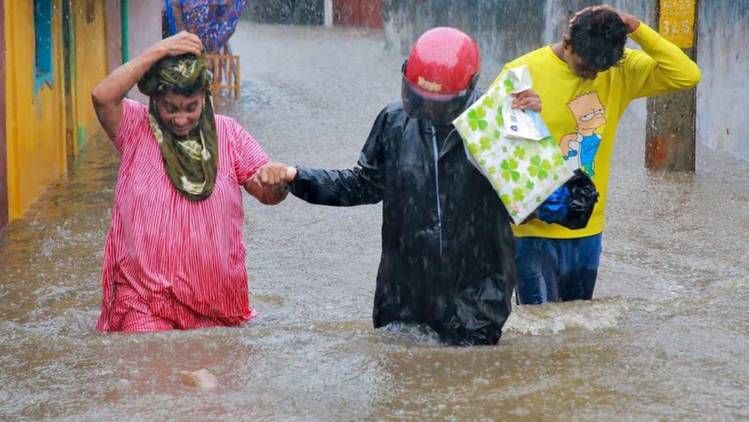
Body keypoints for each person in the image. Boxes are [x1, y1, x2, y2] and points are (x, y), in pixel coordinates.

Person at [259, 27, 541, 346]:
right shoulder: (394, 123)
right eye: (423, 101)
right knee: (401, 382)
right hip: (404, 295)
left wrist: (535, 139)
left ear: (470, 87)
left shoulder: (500, 121)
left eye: (441, 104)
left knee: (472, 387)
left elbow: (555, 204)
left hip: (478, 297)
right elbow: (362, 185)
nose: (431, 112)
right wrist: (297, 177)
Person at [495, 5, 701, 304]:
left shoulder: (620, 70)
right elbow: (487, 145)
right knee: (539, 328)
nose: (592, 77)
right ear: (567, 43)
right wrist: (520, 115)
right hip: (533, 230)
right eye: (584, 68)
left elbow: (687, 74)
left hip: (587, 226)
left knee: (578, 325)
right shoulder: (520, 74)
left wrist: (636, 27)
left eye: (598, 71)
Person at [91, 32, 290, 332]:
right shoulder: (135, 127)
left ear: (205, 99)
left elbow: (266, 193)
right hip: (144, 300)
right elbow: (102, 95)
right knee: (146, 370)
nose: (180, 119)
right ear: (154, 99)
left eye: (191, 107)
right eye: (170, 107)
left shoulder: (229, 135)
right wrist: (160, 50)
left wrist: (276, 183)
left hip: (216, 302)